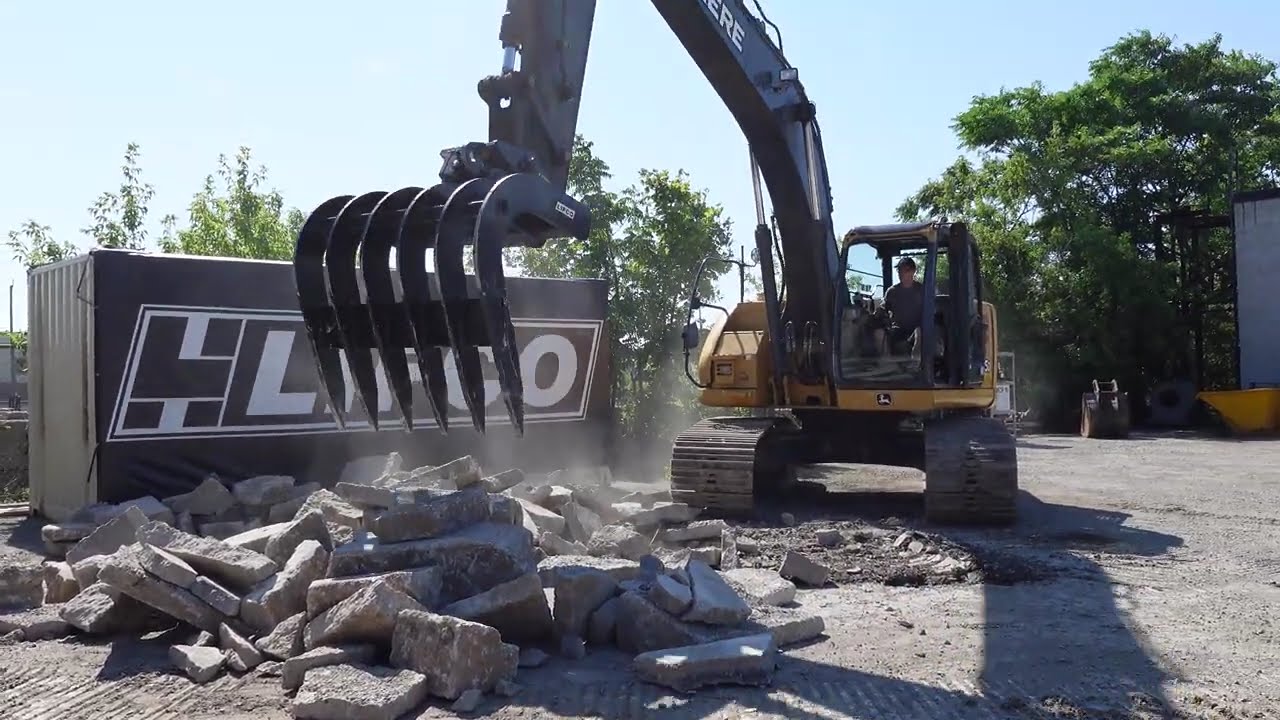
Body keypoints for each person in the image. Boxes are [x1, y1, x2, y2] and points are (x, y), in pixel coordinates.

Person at [883, 256, 924, 347]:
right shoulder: (892, 291)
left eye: (905, 270)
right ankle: (887, 359)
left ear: (913, 271)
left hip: (918, 329)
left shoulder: (922, 290)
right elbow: (883, 310)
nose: (901, 274)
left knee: (919, 332)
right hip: (898, 330)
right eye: (899, 271)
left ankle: (917, 358)